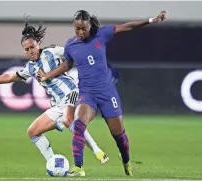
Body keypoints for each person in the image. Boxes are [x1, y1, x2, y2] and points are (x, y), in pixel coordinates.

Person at [37, 10, 166, 177]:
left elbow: (127, 26)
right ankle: (78, 167)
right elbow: (67, 65)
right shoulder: (70, 45)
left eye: (84, 28)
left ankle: (126, 160)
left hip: (107, 93)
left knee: (120, 137)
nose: (81, 32)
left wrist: (151, 20)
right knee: (78, 125)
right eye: (77, 29)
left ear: (90, 25)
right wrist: (48, 75)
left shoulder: (102, 34)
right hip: (87, 93)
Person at [0, 17, 110, 168]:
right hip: (57, 104)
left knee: (68, 120)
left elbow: (73, 54)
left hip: (71, 93)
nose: (30, 51)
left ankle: (98, 151)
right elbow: (9, 77)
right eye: (27, 49)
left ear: (38, 44)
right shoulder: (30, 67)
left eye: (32, 47)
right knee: (33, 132)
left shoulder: (52, 52)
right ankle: (55, 164)